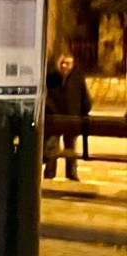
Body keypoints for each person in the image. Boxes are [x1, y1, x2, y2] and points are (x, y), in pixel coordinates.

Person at [45, 51, 92, 181]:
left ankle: (71, 174)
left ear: (73, 64)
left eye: (67, 63)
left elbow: (85, 98)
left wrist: (84, 111)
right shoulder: (51, 77)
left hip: (72, 119)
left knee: (70, 146)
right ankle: (49, 173)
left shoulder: (77, 77)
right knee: (52, 147)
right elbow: (46, 98)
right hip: (55, 119)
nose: (64, 66)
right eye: (62, 63)